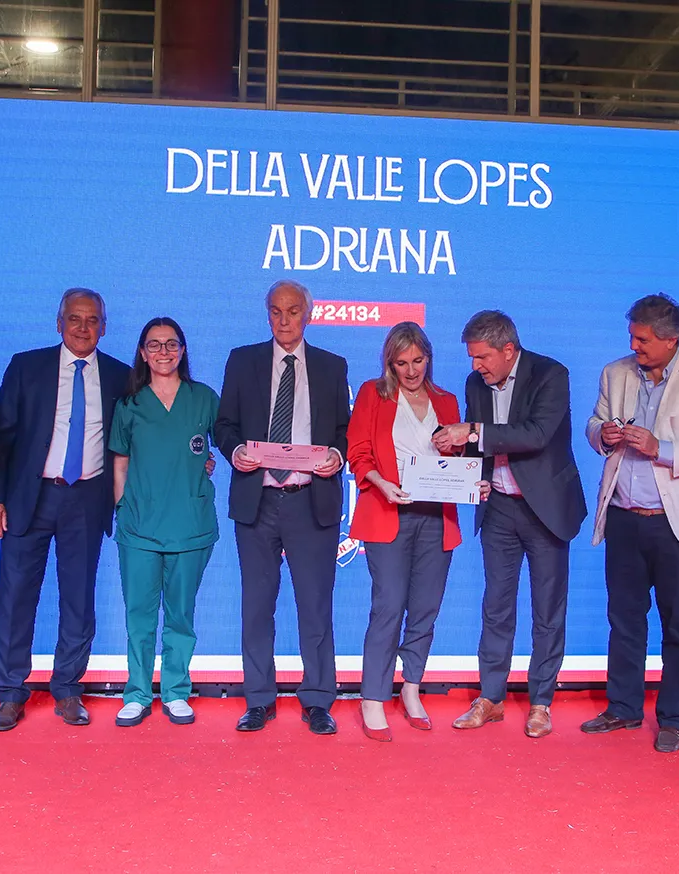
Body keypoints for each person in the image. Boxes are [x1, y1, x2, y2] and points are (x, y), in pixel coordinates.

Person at [582, 294, 679, 754]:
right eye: (632, 336)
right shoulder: (615, 372)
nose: (634, 346)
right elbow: (594, 423)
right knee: (623, 619)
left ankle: (672, 718)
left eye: (643, 339)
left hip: (677, 524)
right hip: (624, 518)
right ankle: (623, 707)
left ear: (672, 340)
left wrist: (659, 448)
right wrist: (602, 434)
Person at [433, 310, 587, 739]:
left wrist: (471, 431)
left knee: (547, 610)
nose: (475, 365)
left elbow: (535, 434)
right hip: (498, 507)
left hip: (546, 509)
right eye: (472, 357)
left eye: (482, 357)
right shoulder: (475, 383)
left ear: (508, 349)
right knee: (496, 606)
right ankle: (491, 697)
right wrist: (461, 461)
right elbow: (478, 446)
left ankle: (541, 702)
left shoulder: (551, 374)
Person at [0, 289, 131, 731]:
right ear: (59, 323)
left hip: (87, 499)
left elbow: (137, 440)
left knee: (78, 598)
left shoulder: (122, 376)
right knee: (15, 596)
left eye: (92, 320)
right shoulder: (26, 367)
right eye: (74, 318)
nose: (83, 328)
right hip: (29, 497)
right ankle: (10, 693)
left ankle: (68, 688)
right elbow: (0, 439)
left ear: (104, 326)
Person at [216, 280, 349, 735]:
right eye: (275, 311)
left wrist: (338, 455)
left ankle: (318, 700)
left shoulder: (332, 366)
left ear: (308, 315)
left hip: (311, 499)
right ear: (267, 314)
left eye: (292, 311)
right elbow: (225, 425)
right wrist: (235, 451)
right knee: (256, 606)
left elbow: (344, 429)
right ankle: (258, 699)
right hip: (257, 501)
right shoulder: (242, 360)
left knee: (315, 607)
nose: (284, 320)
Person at [348, 322, 470, 742]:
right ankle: (373, 697)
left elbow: (459, 460)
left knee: (425, 609)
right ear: (390, 363)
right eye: (402, 363)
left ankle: (411, 689)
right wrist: (381, 483)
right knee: (388, 606)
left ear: (428, 358)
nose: (412, 370)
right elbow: (358, 453)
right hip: (388, 513)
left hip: (437, 518)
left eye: (418, 360)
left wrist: (471, 480)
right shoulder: (373, 394)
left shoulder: (446, 400)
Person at [109, 318, 219, 728]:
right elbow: (120, 465)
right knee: (139, 615)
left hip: (190, 524)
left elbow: (224, 444)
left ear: (183, 350)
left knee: (180, 615)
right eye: (154, 345)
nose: (163, 352)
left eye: (171, 344)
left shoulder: (203, 398)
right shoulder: (129, 405)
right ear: (142, 353)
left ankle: (175, 691)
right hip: (139, 527)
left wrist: (206, 460)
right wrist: (123, 509)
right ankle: (137, 693)